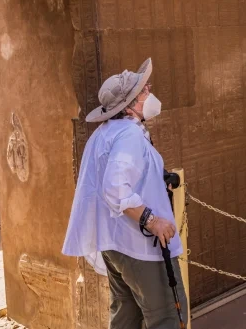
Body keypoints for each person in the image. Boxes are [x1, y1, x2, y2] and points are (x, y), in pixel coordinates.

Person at [62, 59, 187, 329]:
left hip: (115, 244)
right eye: (143, 91)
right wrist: (152, 221)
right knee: (167, 315)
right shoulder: (128, 134)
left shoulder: (106, 133)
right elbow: (115, 188)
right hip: (139, 247)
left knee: (126, 314)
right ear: (130, 105)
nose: (149, 91)